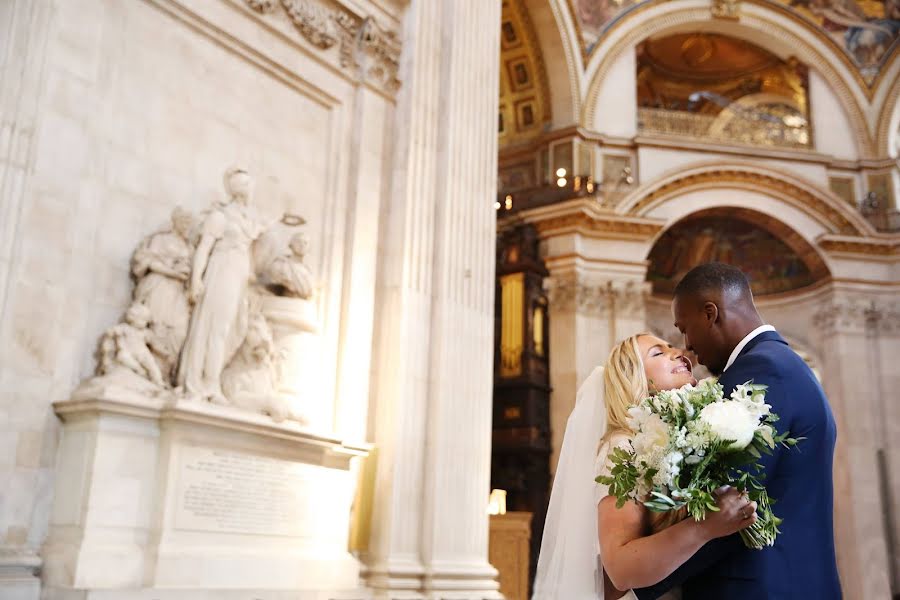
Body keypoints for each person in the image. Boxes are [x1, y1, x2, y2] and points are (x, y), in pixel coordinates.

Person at [635, 262, 840, 599]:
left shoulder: (761, 371)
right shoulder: (782, 364)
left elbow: (730, 508)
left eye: (684, 328)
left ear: (710, 313)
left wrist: (636, 582)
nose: (687, 347)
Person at [533, 332, 757, 599]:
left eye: (671, 346)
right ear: (634, 379)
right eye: (658, 352)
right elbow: (620, 571)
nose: (678, 352)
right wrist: (706, 526)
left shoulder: (683, 439)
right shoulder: (623, 446)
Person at [177, 167, 267, 404]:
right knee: (216, 329)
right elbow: (204, 249)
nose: (251, 190)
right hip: (222, 270)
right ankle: (207, 383)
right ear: (238, 190)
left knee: (229, 328)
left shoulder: (248, 221)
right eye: (247, 185)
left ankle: (212, 379)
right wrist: (196, 280)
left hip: (238, 275)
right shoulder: (220, 217)